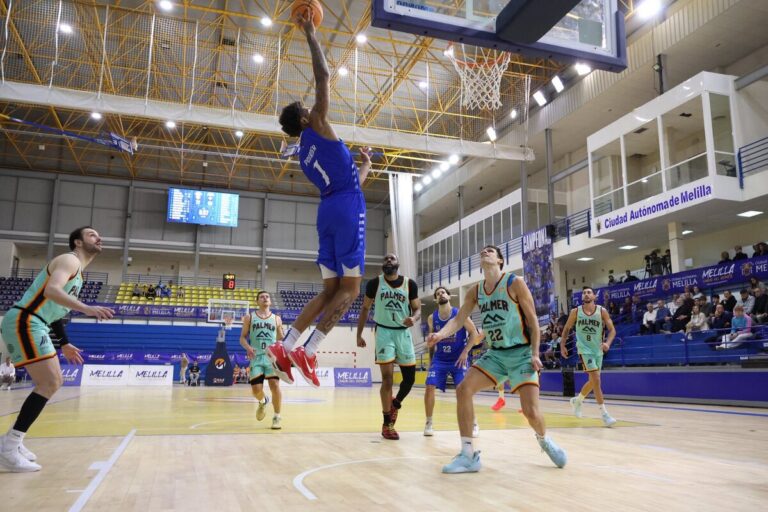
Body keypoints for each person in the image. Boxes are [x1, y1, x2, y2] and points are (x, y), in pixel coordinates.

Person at [269, 11, 373, 388]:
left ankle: (287, 345)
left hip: (329, 209)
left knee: (329, 290)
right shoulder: (320, 124)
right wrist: (311, 33)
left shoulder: (304, 152)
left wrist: (364, 166)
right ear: (305, 117)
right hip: (346, 208)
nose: (313, 108)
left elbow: (348, 184)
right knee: (352, 290)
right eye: (308, 109)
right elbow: (324, 76)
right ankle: (309, 353)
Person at [426, 246, 566, 473]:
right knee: (463, 390)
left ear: (500, 260)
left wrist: (535, 353)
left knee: (530, 411)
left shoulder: (515, 283)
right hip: (496, 354)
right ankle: (469, 455)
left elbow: (532, 322)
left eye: (490, 250)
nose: (484, 252)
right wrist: (440, 334)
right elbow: (459, 319)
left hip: (521, 353)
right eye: (481, 251)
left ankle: (543, 440)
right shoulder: (476, 291)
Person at [0, 226, 114, 472]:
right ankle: (9, 445)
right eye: (92, 234)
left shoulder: (78, 273)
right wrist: (87, 308)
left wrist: (64, 343)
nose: (99, 237)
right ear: (78, 242)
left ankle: (11, 441)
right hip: (26, 320)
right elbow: (52, 291)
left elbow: (54, 311)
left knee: (53, 381)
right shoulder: (69, 260)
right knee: (50, 382)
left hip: (35, 322)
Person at [356, 254, 421, 440]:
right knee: (387, 379)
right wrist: (358, 334)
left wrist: (414, 318)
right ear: (383, 265)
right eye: (385, 259)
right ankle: (387, 424)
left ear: (398, 263)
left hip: (403, 333)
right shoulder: (375, 283)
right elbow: (365, 308)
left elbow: (417, 309)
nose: (388, 261)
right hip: (384, 332)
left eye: (392, 259)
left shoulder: (410, 284)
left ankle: (396, 403)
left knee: (409, 379)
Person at [422, 286, 481, 437]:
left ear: (449, 296)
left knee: (464, 390)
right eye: (437, 293)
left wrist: (465, 352)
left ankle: (473, 422)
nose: (440, 294)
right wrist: (430, 360)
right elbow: (432, 341)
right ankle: (429, 422)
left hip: (458, 359)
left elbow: (474, 333)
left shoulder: (459, 314)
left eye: (443, 292)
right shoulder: (431, 318)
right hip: (440, 359)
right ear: (435, 299)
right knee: (429, 386)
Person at [560, 286, 618, 427]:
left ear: (594, 296)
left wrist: (608, 343)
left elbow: (612, 330)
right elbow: (567, 328)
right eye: (584, 293)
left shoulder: (601, 311)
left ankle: (578, 400)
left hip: (598, 350)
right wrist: (562, 345)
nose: (586, 294)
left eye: (589, 292)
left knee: (593, 381)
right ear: (582, 297)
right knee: (596, 379)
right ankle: (604, 414)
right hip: (584, 350)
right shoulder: (576, 312)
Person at [240, 291, 285, 430]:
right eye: (262, 297)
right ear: (257, 301)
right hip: (256, 357)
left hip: (271, 357)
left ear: (270, 301)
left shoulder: (277, 319)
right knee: (256, 389)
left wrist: (282, 333)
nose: (265, 298)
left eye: (267, 297)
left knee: (275, 386)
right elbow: (242, 338)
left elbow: (281, 339)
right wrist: (248, 347)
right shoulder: (249, 318)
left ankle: (277, 416)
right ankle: (263, 401)